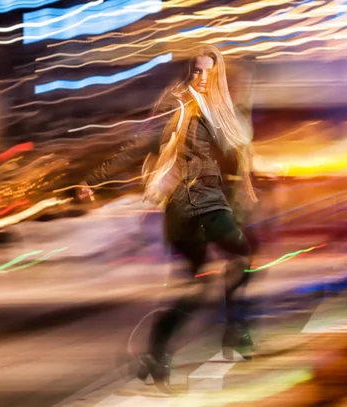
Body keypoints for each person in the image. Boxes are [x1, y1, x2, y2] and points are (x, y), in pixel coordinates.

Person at [79, 45, 258, 394]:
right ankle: (234, 331)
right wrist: (93, 179)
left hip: (203, 204)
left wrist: (244, 181)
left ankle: (157, 355)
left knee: (197, 285)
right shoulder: (177, 109)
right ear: (189, 73)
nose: (202, 78)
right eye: (196, 71)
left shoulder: (222, 111)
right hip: (191, 204)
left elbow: (237, 154)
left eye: (208, 72)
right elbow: (135, 146)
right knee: (238, 254)